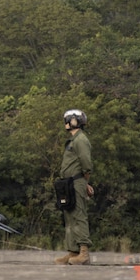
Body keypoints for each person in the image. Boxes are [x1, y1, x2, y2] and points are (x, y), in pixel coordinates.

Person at [54, 108, 94, 265]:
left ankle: (83, 252)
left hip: (76, 182)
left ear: (75, 121)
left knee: (79, 215)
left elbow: (86, 164)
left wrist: (85, 182)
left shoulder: (81, 140)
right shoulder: (72, 140)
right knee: (69, 217)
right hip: (68, 183)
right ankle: (72, 251)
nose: (66, 122)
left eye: (69, 119)